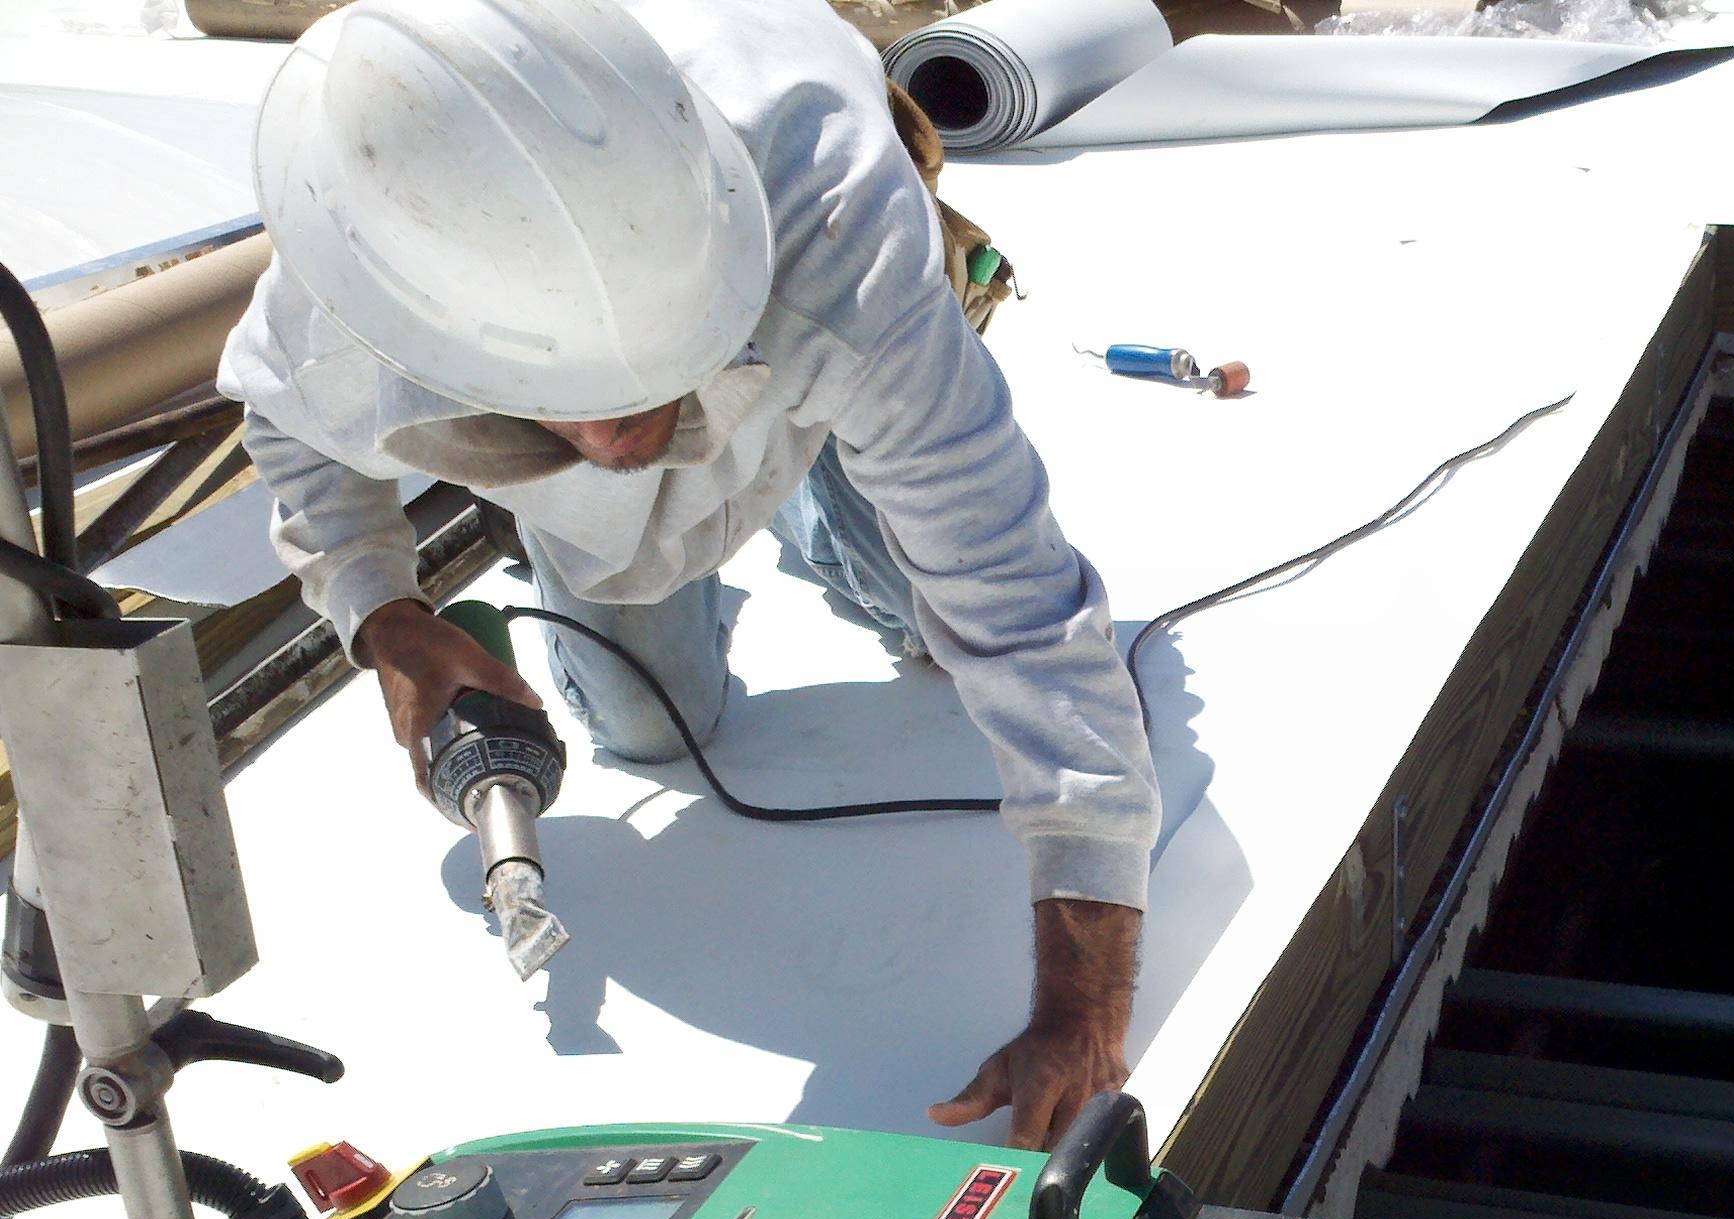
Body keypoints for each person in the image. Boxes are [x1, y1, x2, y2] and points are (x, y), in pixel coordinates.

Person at [218, 0, 1158, 1148]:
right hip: (725, 400)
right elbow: (287, 437)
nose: (622, 443)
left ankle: (828, 468)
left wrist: (1084, 1003)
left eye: (653, 381)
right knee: (646, 733)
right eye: (572, 404)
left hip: (806, 343)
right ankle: (797, 450)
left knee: (929, 619)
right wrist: (392, 626)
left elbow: (1021, 618)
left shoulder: (841, 240)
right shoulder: (345, 313)